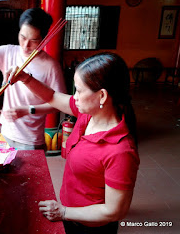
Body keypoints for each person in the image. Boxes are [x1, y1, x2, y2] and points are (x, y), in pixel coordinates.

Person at [8, 52, 140, 233]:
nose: (74, 97)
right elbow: (53, 96)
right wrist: (24, 78)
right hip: (71, 215)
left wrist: (63, 212)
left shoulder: (120, 151)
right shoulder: (88, 114)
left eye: (78, 90)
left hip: (89, 227)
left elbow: (114, 211)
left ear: (102, 96)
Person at [0, 8, 66, 150]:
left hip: (30, 140)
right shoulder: (9, 52)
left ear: (43, 39)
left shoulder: (51, 66)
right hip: (3, 132)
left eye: (33, 40)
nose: (25, 45)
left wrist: (28, 110)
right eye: (23, 37)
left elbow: (59, 104)